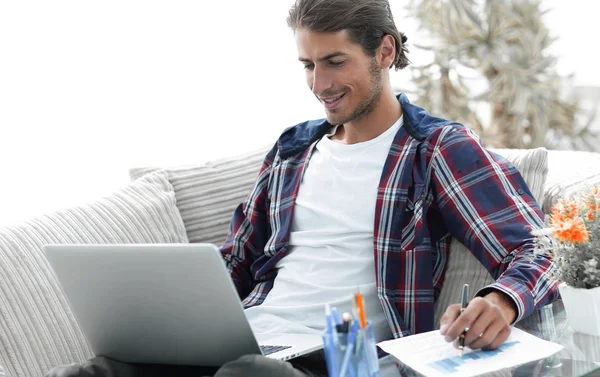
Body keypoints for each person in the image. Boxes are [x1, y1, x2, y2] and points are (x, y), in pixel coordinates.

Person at [45, 0, 560, 376]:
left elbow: (543, 248)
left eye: (334, 62)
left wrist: (500, 300)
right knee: (86, 374)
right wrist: (167, 312)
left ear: (384, 51)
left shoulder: (436, 148)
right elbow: (235, 264)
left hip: (334, 360)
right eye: (308, 65)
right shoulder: (293, 150)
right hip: (249, 342)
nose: (319, 84)